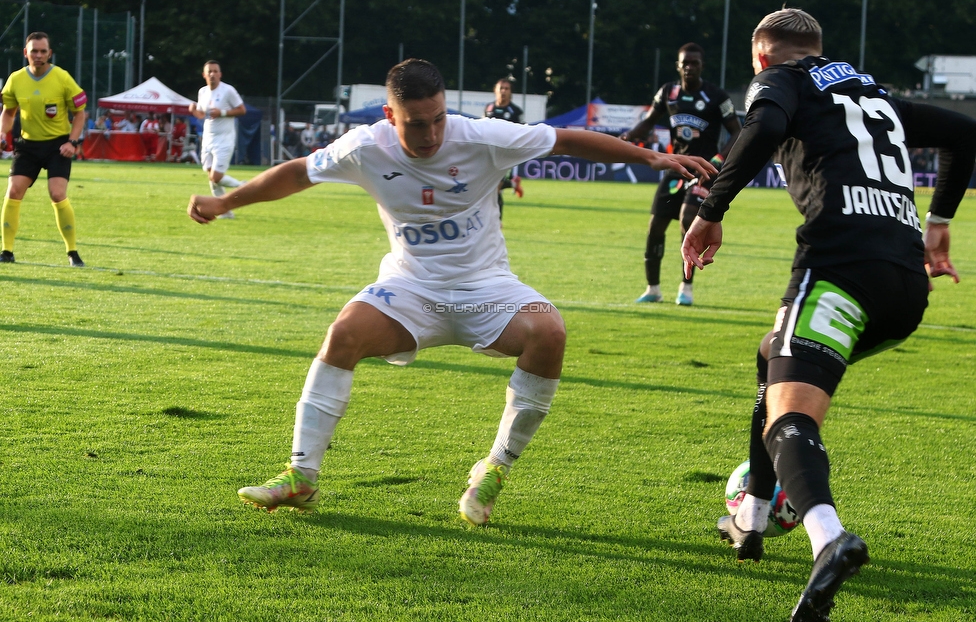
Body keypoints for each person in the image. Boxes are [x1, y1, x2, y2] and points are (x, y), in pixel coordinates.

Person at [187, 58, 716, 526]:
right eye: (418, 123)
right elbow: (298, 174)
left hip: (488, 289)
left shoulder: (479, 135)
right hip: (409, 289)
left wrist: (651, 159)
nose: (432, 133)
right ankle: (301, 476)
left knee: (550, 331)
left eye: (439, 117)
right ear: (391, 117)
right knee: (344, 332)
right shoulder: (365, 146)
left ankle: (493, 471)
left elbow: (565, 140)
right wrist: (225, 201)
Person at [680, 8, 976, 622]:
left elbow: (763, 126)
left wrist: (711, 209)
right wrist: (940, 222)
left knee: (790, 411)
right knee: (772, 356)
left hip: (839, 269)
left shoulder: (779, 79)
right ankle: (753, 517)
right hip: (903, 288)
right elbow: (963, 133)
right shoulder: (873, 91)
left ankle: (827, 538)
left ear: (762, 57)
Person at [621, 43, 742, 305]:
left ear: (701, 66)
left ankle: (686, 288)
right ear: (678, 65)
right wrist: (629, 136)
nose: (689, 67)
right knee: (655, 227)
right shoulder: (669, 92)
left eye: (694, 63)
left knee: (688, 219)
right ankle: (653, 289)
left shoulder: (716, 96)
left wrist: (719, 158)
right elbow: (650, 121)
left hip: (704, 171)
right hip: (676, 168)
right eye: (685, 62)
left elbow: (737, 130)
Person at [0, 32, 88, 266]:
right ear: (25, 53)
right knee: (14, 191)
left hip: (57, 146)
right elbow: (9, 112)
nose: (38, 55)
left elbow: (80, 113)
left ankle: (72, 252)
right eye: (34, 51)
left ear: (49, 53)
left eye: (43, 51)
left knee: (57, 193)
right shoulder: (15, 79)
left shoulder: (62, 78)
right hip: (27, 145)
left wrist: (73, 142)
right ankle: (6, 251)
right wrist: (2, 132)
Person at [188, 60, 246, 218]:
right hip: (208, 138)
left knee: (216, 177)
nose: (212, 74)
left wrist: (223, 113)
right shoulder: (203, 92)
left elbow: (242, 110)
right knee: (211, 177)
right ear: (204, 75)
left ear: (220, 74)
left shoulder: (228, 91)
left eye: (215, 71)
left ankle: (242, 186)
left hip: (225, 138)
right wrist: (194, 110)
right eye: (210, 72)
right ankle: (225, 212)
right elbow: (202, 115)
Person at [484, 78, 524, 220]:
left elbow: (521, 132)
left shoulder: (515, 111)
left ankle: (497, 220)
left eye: (506, 88)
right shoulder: (489, 108)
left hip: (505, 153)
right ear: (495, 90)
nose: (503, 91)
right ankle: (512, 183)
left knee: (495, 187)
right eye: (501, 88)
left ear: (510, 92)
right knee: (491, 187)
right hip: (489, 153)